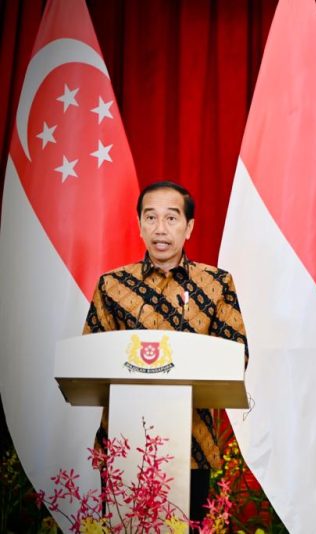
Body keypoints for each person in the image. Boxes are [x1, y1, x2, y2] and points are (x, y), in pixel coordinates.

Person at [83, 181, 248, 522]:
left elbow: (237, 356)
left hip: (192, 447)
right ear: (140, 224)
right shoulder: (112, 285)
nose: (160, 229)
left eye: (171, 219)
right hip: (122, 444)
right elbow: (89, 357)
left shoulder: (216, 285)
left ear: (189, 227)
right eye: (151, 217)